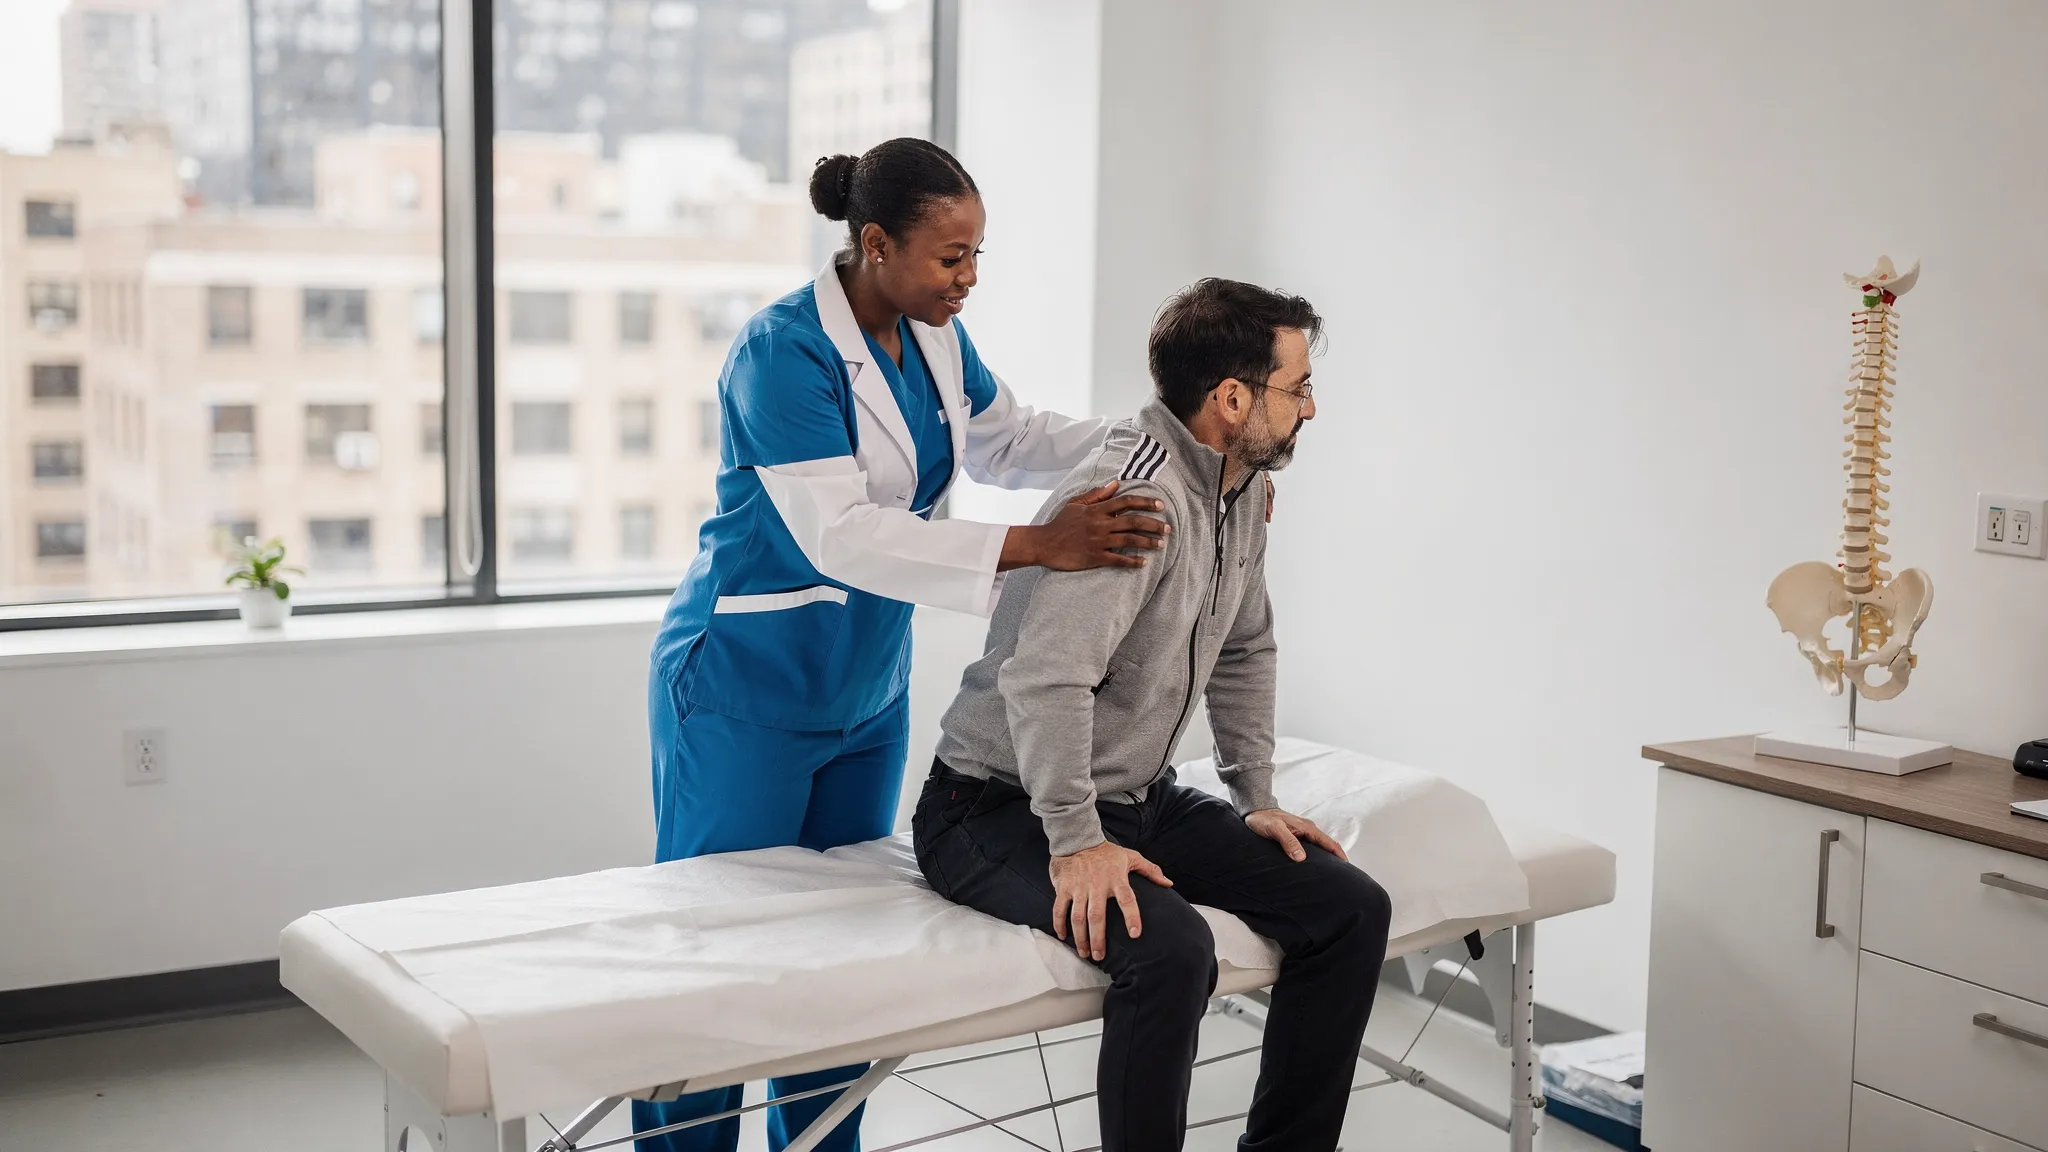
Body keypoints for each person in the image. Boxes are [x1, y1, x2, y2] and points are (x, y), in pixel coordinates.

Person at [636, 138, 1170, 1152]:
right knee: (714, 956)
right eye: (950, 258)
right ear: (875, 245)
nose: (967, 280)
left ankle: (821, 1143)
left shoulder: (930, 338)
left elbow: (1011, 436)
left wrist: (1167, 447)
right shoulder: (779, 351)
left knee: (841, 949)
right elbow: (840, 532)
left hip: (862, 691)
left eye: (976, 256)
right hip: (743, 687)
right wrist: (1036, 547)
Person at [915, 279, 1391, 1152]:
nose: (1312, 410)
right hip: (992, 806)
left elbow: (1245, 650)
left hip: (1137, 796)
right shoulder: (1135, 499)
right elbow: (1046, 681)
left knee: (1350, 908)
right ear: (1233, 397)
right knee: (1170, 951)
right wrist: (1075, 842)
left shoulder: (1237, 491)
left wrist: (1254, 795)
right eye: (1300, 388)